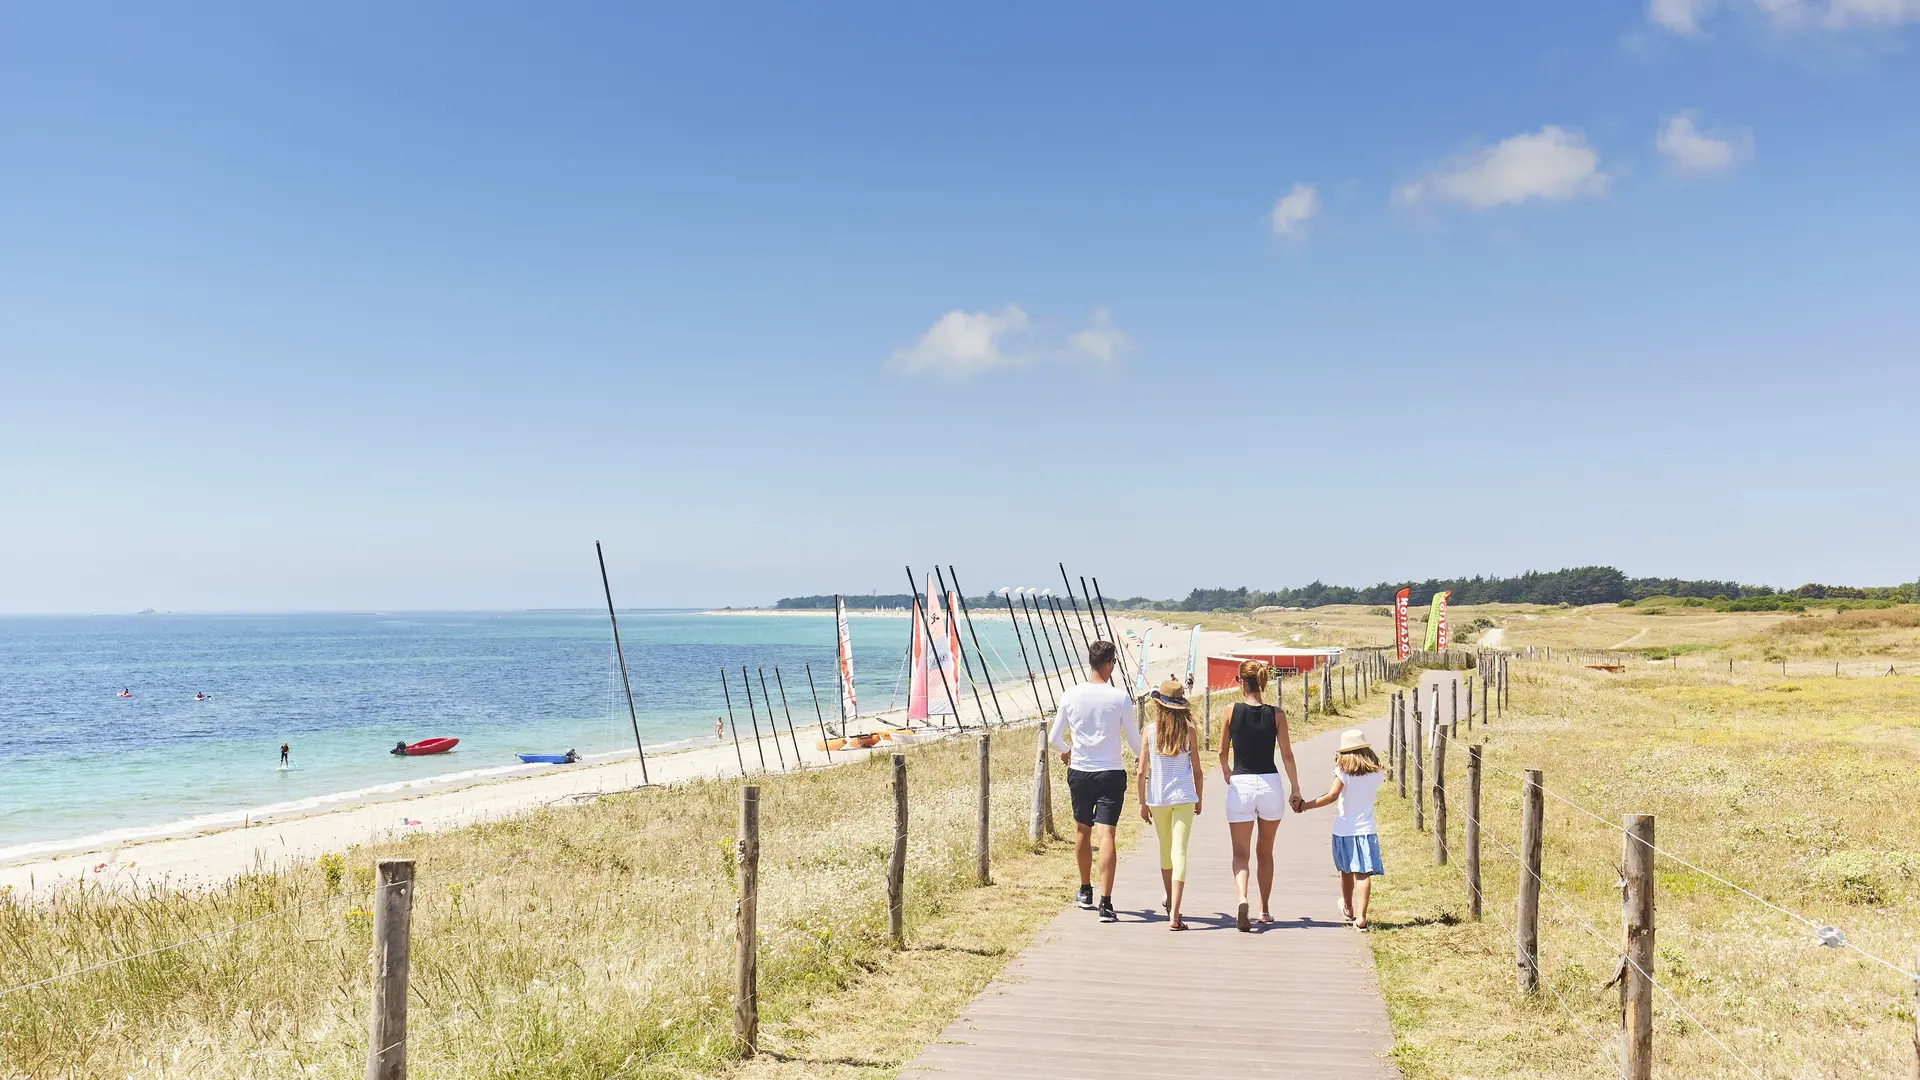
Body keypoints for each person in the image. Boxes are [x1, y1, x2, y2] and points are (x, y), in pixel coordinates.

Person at [1048, 639, 1141, 924]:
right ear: (1110, 663)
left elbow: (1053, 738)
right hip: (1111, 772)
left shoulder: (1070, 695)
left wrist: (1067, 752)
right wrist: (1144, 761)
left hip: (1080, 771)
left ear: (1090, 661)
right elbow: (1136, 743)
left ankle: (1085, 890)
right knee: (1108, 835)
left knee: (1082, 830)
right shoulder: (1120, 697)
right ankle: (1107, 903)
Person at [1216, 659, 1303, 931]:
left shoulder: (1230, 710)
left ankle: (1243, 897)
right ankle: (1264, 910)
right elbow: (1287, 755)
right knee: (1265, 851)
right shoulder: (1277, 714)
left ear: (1242, 682)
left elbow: (1221, 751)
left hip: (1241, 783)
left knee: (1240, 853)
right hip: (1269, 784)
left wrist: (1227, 771)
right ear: (1262, 682)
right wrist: (1296, 789)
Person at [1296, 729, 1387, 930]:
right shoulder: (1376, 773)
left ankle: (1347, 906)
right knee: (1362, 874)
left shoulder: (1343, 772)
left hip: (1344, 829)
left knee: (1345, 870)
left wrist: (1304, 805)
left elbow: (1332, 795)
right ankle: (1361, 917)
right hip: (1366, 829)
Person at [1136, 677, 1202, 930]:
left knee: (1166, 850)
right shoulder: (1189, 731)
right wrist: (1200, 798)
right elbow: (1197, 770)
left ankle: (1171, 904)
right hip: (1184, 796)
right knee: (1181, 851)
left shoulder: (1149, 732)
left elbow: (1141, 771)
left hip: (1159, 798)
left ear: (1159, 706)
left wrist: (1142, 803)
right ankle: (1175, 913)